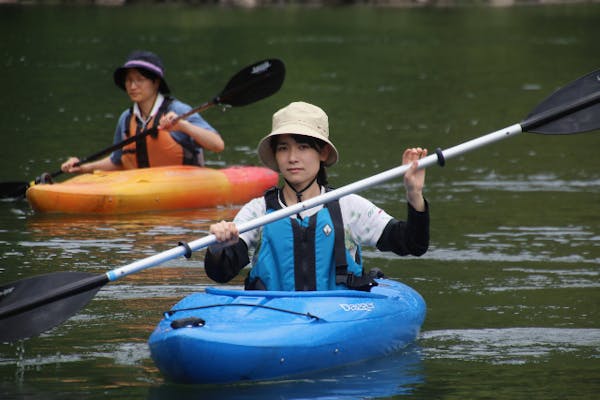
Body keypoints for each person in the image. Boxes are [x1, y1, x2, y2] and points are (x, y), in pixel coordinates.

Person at [204, 101, 429, 292]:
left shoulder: (348, 206)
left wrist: (414, 193)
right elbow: (220, 274)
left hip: (337, 317)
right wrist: (219, 246)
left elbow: (413, 244)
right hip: (274, 315)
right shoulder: (257, 211)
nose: (292, 158)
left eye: (303, 147)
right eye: (283, 148)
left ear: (322, 153)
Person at [61, 50, 224, 174]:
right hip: (143, 186)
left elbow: (217, 145)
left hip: (183, 184)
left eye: (139, 80)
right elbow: (117, 162)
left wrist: (183, 125)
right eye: (129, 80)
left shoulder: (177, 110)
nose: (132, 86)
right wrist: (83, 167)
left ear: (155, 82)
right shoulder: (126, 118)